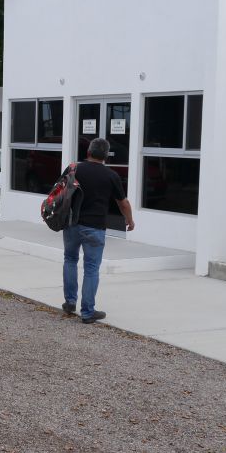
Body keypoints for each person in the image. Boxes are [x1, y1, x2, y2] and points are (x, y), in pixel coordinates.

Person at [63, 137, 135, 324]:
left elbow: (61, 192)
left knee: (70, 259)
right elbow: (123, 203)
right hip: (95, 227)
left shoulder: (73, 169)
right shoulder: (111, 175)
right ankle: (87, 312)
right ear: (106, 156)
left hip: (72, 224)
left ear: (88, 152)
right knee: (91, 268)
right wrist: (129, 220)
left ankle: (70, 302)